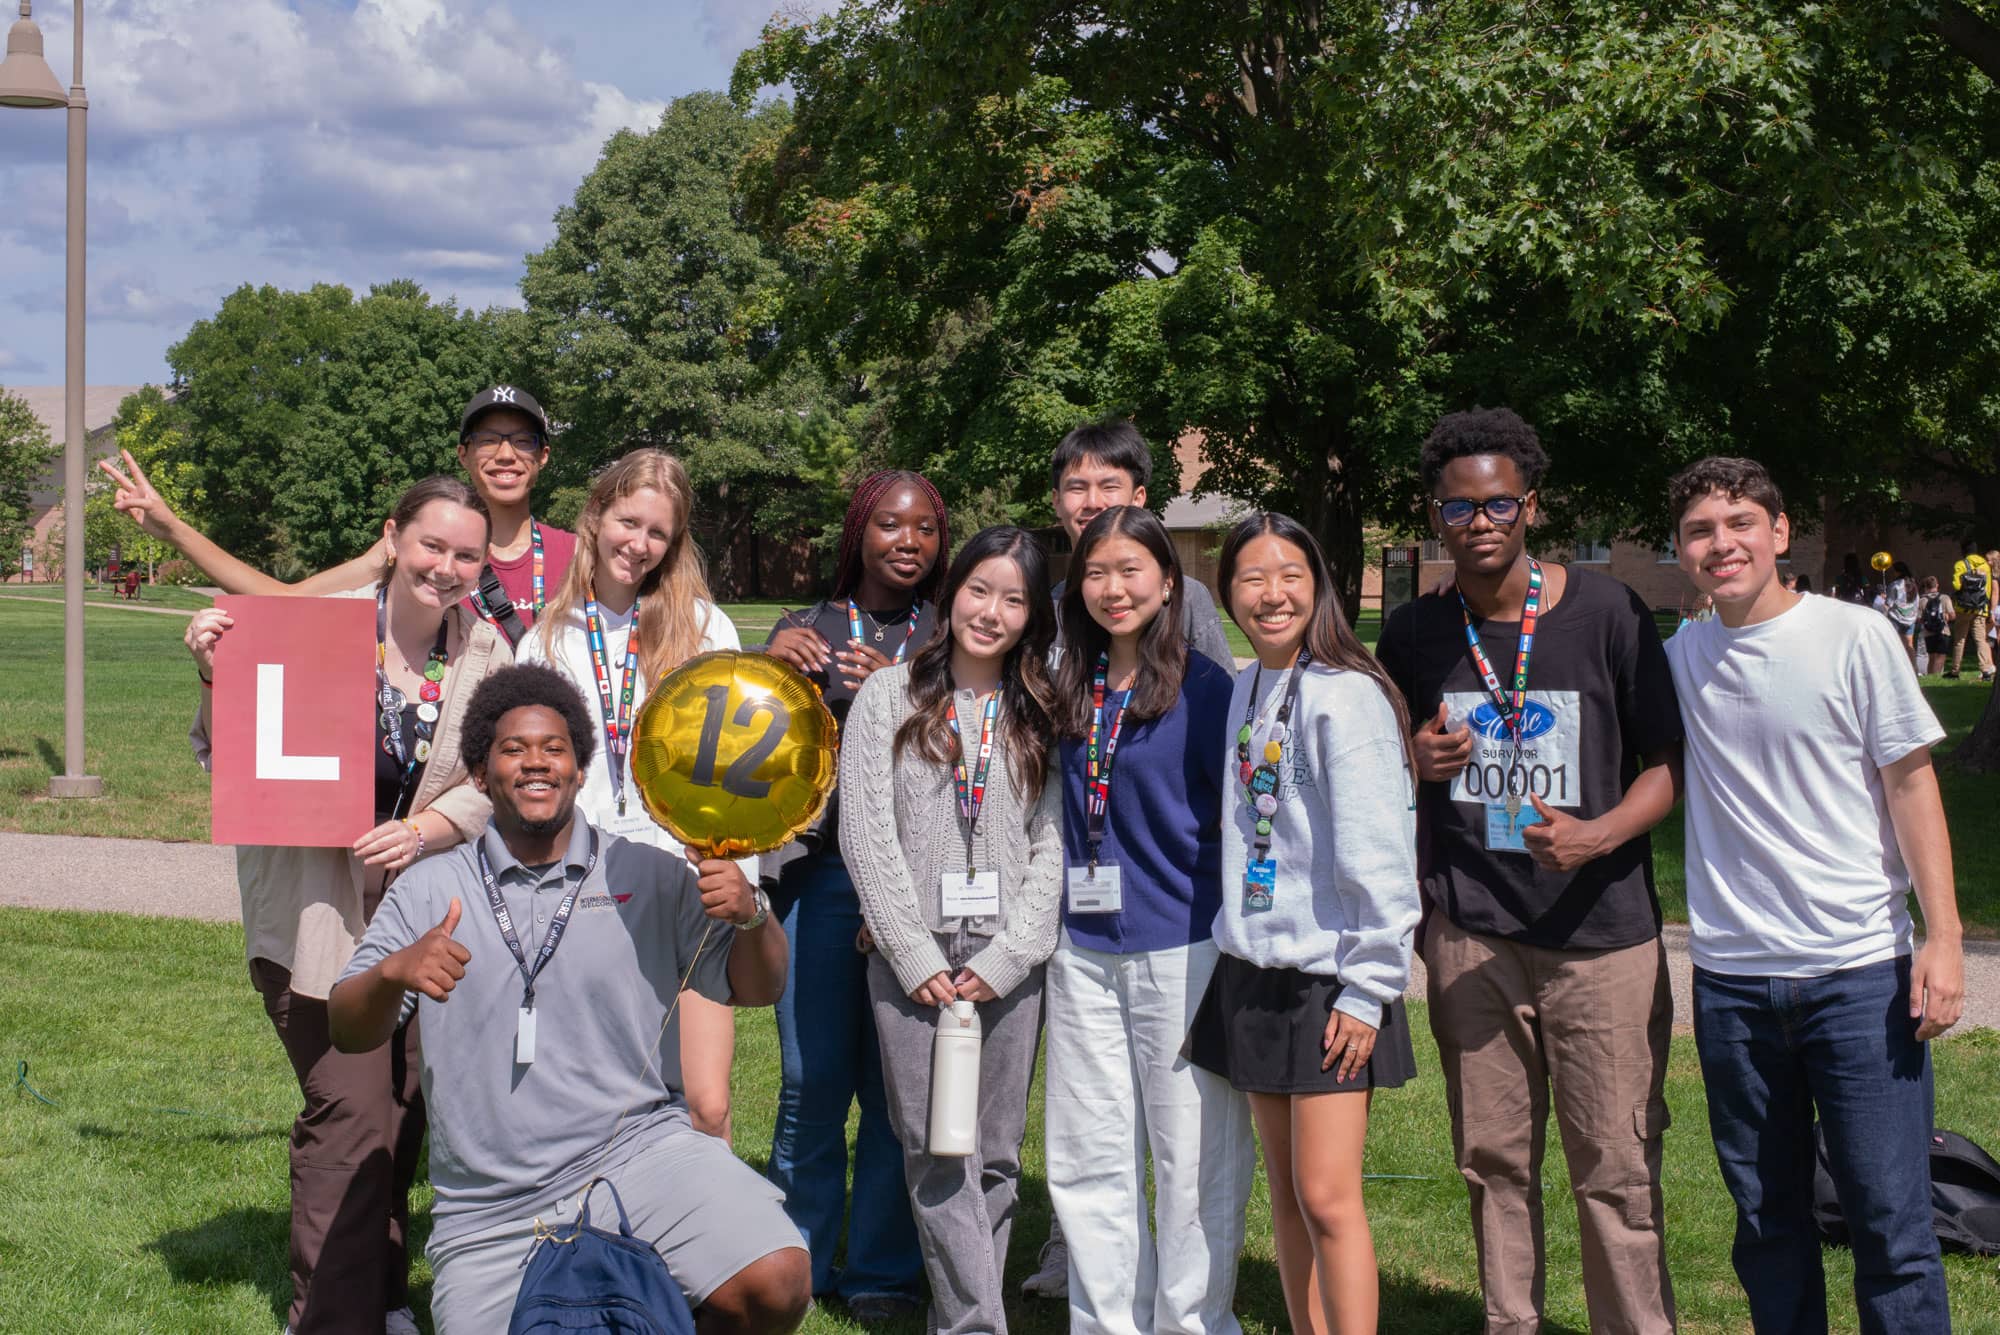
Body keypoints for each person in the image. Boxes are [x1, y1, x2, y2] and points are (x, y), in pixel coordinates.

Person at [326, 665, 810, 1334]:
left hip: (643, 1157)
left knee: (777, 1277)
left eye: (554, 747)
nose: (536, 763)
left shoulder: (651, 872)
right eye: (513, 748)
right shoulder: (429, 888)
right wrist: (393, 973)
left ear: (580, 769)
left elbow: (762, 986)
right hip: (491, 1209)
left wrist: (753, 915)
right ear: (478, 771)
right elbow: (347, 1028)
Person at [1374, 408, 1682, 1335]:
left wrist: (1598, 834)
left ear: (1531, 507)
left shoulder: (1607, 612)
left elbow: (1667, 768)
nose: (1481, 522)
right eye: (1459, 507)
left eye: (1499, 503)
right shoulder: (1417, 632)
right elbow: (1378, 756)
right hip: (1474, 936)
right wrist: (1412, 757)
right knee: (1494, 1162)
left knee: (1616, 1170)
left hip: (1602, 937)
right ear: (1437, 518)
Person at [183, 476, 513, 1335]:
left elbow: (498, 780)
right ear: (393, 537)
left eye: (466, 554)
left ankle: (380, 1293)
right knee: (351, 1105)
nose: (445, 567)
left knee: (404, 1108)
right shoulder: (311, 630)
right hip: (312, 915)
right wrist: (221, 673)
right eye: (431, 545)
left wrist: (431, 827)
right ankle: (327, 1317)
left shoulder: (488, 654)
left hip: (429, 912)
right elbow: (228, 758)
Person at [1666, 456, 1965, 1332]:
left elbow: (1913, 786)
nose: (1722, 543)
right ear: (1680, 549)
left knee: (1891, 1223)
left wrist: (1942, 938)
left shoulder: (1855, 637)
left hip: (1859, 974)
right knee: (1767, 1223)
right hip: (1730, 984)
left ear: (1780, 532)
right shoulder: (1679, 659)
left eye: (1740, 523)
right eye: (1700, 530)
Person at [1182, 511, 1419, 1335]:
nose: (1272, 593)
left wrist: (1369, 987)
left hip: (1331, 982)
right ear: (1228, 593)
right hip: (1254, 970)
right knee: (1284, 1196)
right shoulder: (1250, 683)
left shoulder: (1345, 695)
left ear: (1318, 585)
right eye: (1252, 577)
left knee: (1327, 1196)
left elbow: (1380, 852)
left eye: (1290, 575)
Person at [839, 524, 1065, 1335]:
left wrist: (1011, 955)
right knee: (937, 1147)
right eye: (979, 589)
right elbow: (866, 832)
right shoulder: (886, 697)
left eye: (1014, 599)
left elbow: (1053, 844)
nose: (991, 611)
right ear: (950, 592)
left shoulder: (1040, 710)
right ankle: (978, 1324)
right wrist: (910, 950)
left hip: (1006, 962)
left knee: (996, 1152)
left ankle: (960, 1314)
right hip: (914, 959)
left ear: (1032, 615)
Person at [1028, 415, 1234, 1299]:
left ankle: (1191, 1318)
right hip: (1081, 946)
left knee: (1191, 1154)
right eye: (1095, 575)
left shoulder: (1208, 682)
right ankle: (1105, 1317)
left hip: (1180, 941)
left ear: (1167, 580)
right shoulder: (1066, 678)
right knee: (1088, 1151)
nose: (1112, 589)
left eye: (1131, 572)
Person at [758, 470, 947, 1318]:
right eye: (890, 526)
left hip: (918, 884)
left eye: (925, 529)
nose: (908, 542)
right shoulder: (808, 628)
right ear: (859, 533)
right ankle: (793, 1257)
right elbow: (756, 739)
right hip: (822, 878)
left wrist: (904, 691)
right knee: (811, 1076)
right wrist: (769, 667)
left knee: (894, 1086)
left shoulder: (951, 632)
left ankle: (880, 1266)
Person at [514, 448, 744, 1141]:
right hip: (587, 886)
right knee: (602, 1090)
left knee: (705, 1103)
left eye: (657, 533)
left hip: (687, 883)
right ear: (595, 515)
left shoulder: (707, 632)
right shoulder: (547, 642)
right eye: (628, 522)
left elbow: (734, 774)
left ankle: (709, 1244)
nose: (638, 545)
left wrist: (740, 876)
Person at [100, 385, 577, 646]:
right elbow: (284, 601)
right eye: (488, 439)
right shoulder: (412, 554)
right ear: (463, 455)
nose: (505, 454)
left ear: (544, 456)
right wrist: (174, 530)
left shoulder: (577, 556)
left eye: (523, 441)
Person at [1046, 418, 1235, 671]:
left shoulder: (1186, 599)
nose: (1093, 502)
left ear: (1138, 498)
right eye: (1077, 488)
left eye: (1109, 486)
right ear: (1056, 501)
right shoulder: (1047, 607)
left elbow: (1223, 701)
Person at [1947, 537, 1993, 679]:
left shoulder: (1960, 564)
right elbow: (1988, 589)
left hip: (1963, 609)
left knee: (1960, 639)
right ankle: (1986, 670)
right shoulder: (1985, 565)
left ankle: (1955, 671)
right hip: (1980, 608)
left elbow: (1957, 586)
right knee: (1980, 640)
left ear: (1963, 551)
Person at [1883, 562, 1920, 672]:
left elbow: (1888, 604)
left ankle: (1897, 669)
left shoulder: (1895, 585)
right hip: (1910, 618)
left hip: (1896, 618)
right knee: (1909, 645)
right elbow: (1916, 602)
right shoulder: (1914, 584)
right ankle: (1914, 668)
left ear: (1897, 572)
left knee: (1896, 644)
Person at [1918, 576, 1954, 677]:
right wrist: (1946, 616)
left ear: (1925, 587)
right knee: (1941, 656)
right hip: (1943, 630)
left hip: (1928, 632)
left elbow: (1919, 618)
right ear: (1937, 585)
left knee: (1931, 657)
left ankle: (1930, 676)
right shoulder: (1945, 597)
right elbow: (1952, 615)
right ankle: (1936, 677)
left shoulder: (1922, 600)